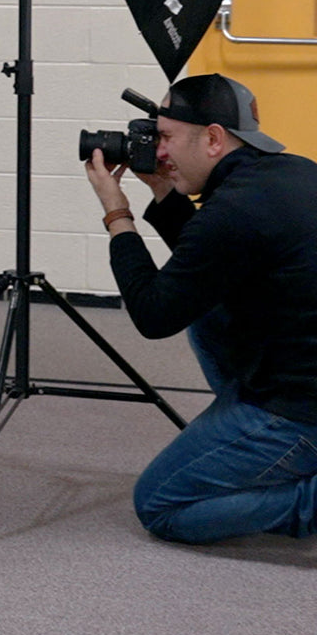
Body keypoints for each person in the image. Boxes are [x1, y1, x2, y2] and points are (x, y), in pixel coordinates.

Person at [84, 72, 317, 543]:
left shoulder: (232, 210)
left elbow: (154, 315)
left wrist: (117, 214)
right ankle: (243, 431)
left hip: (301, 408)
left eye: (165, 137)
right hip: (300, 370)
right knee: (206, 313)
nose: (158, 150)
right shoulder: (291, 173)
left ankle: (306, 497)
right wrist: (164, 193)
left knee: (159, 505)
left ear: (213, 138)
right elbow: (209, 262)